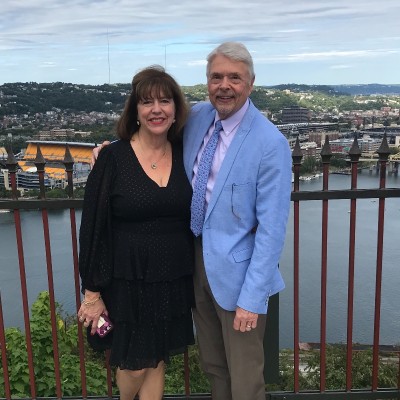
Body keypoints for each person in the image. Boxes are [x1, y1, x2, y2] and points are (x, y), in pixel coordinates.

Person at [92, 42, 292, 400]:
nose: (224, 85)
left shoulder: (269, 143)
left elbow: (272, 229)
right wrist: (108, 150)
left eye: (235, 78)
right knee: (214, 365)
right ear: (207, 81)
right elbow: (150, 139)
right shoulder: (198, 117)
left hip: (238, 276)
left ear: (251, 83)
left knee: (245, 376)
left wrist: (252, 297)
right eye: (216, 77)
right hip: (192, 264)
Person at [78, 65, 195, 400]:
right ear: (136, 111)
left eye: (164, 101)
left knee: (157, 360)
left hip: (172, 275)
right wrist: (92, 292)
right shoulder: (113, 157)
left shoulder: (186, 152)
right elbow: (93, 227)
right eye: (147, 102)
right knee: (134, 365)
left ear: (176, 110)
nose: (156, 109)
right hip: (127, 280)